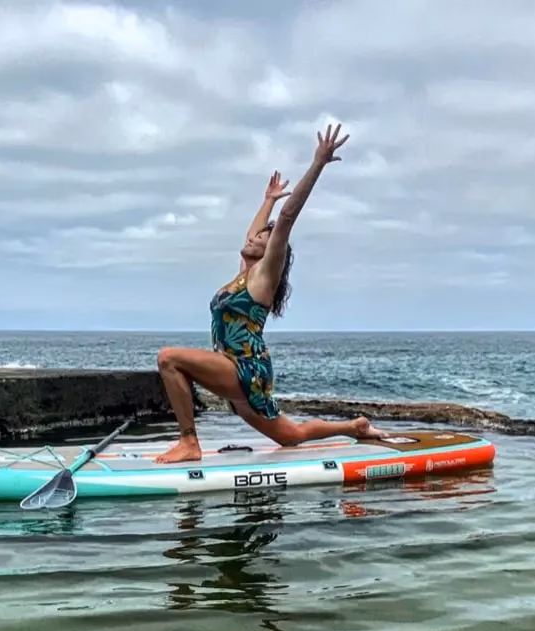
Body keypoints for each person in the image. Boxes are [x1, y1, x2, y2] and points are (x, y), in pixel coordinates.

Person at [153, 123, 390, 464]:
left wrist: (318, 164)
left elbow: (288, 217)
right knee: (289, 436)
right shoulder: (243, 276)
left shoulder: (263, 278)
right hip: (241, 368)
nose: (251, 239)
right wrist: (267, 200)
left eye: (261, 240)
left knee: (169, 358)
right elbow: (254, 231)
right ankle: (354, 426)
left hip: (243, 368)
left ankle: (189, 441)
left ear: (270, 252)